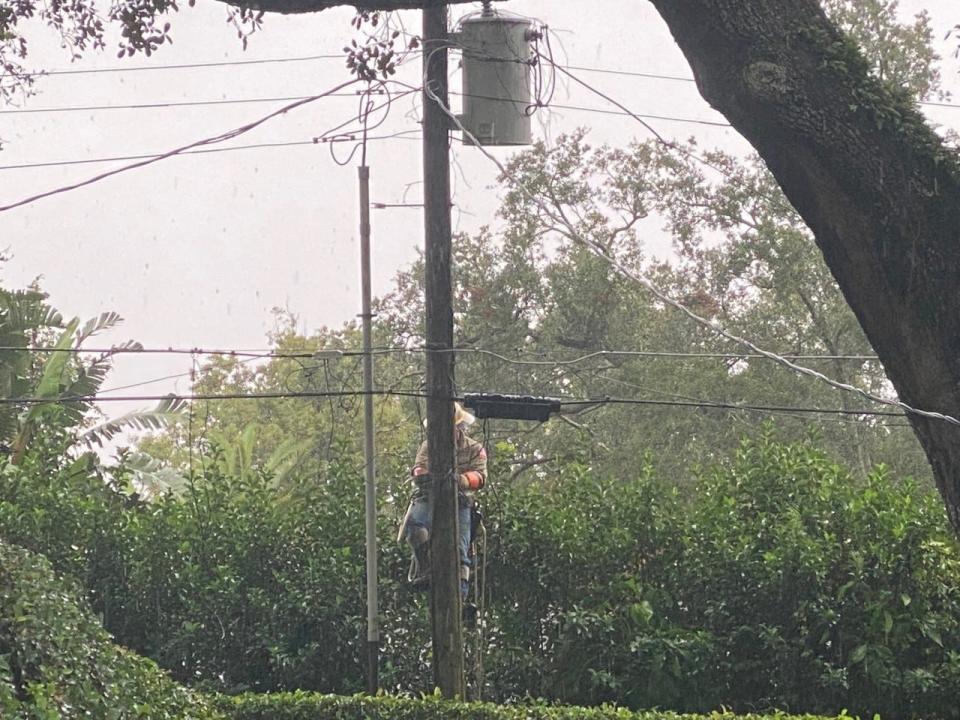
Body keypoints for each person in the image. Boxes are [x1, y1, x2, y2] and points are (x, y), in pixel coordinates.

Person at [398, 402, 487, 599]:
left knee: (460, 550)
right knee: (414, 524)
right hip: (429, 497)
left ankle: (460, 599)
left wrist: (462, 479)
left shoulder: (474, 448)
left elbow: (480, 477)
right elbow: (418, 467)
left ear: (460, 427)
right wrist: (425, 475)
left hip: (460, 502)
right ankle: (427, 569)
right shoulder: (428, 446)